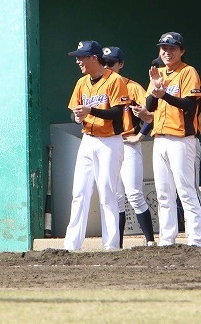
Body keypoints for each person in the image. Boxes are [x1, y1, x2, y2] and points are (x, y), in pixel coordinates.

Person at [145, 32, 201, 247]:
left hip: (182, 138)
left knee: (186, 191)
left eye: (172, 48)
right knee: (164, 194)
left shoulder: (188, 71)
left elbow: (190, 105)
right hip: (160, 138)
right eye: (163, 48)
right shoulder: (159, 73)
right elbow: (150, 107)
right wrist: (155, 88)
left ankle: (197, 241)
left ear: (182, 51)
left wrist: (164, 94)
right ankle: (167, 240)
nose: (167, 52)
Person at [64, 41, 128, 251]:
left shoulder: (115, 80)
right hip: (88, 140)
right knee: (79, 192)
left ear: (94, 58)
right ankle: (71, 245)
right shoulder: (82, 82)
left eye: (82, 57)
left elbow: (118, 113)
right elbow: (74, 112)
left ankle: (111, 245)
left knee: (107, 193)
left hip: (110, 142)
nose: (78, 61)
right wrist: (77, 117)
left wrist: (90, 111)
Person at [101, 46, 156, 247]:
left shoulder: (132, 87)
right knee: (116, 198)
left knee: (134, 194)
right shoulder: (98, 86)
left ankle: (150, 241)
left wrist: (140, 135)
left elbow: (150, 113)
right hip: (109, 144)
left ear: (120, 64)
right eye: (104, 63)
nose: (107, 67)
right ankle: (118, 245)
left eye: (111, 63)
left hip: (128, 143)